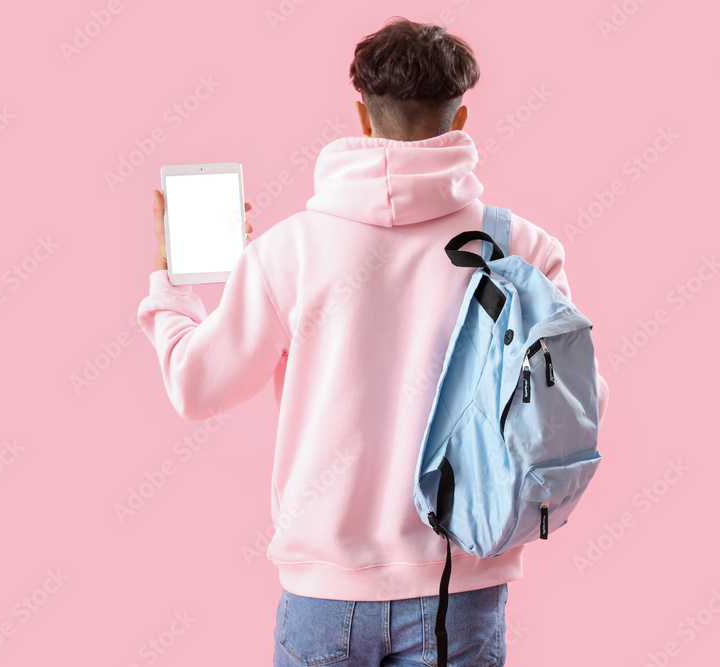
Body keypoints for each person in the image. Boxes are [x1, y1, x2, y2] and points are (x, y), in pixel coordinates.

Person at [137, 16, 609, 667]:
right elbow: (571, 404)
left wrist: (171, 283)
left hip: (323, 592)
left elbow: (196, 386)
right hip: (459, 587)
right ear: (461, 118)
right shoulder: (523, 249)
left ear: (362, 118)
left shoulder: (288, 251)